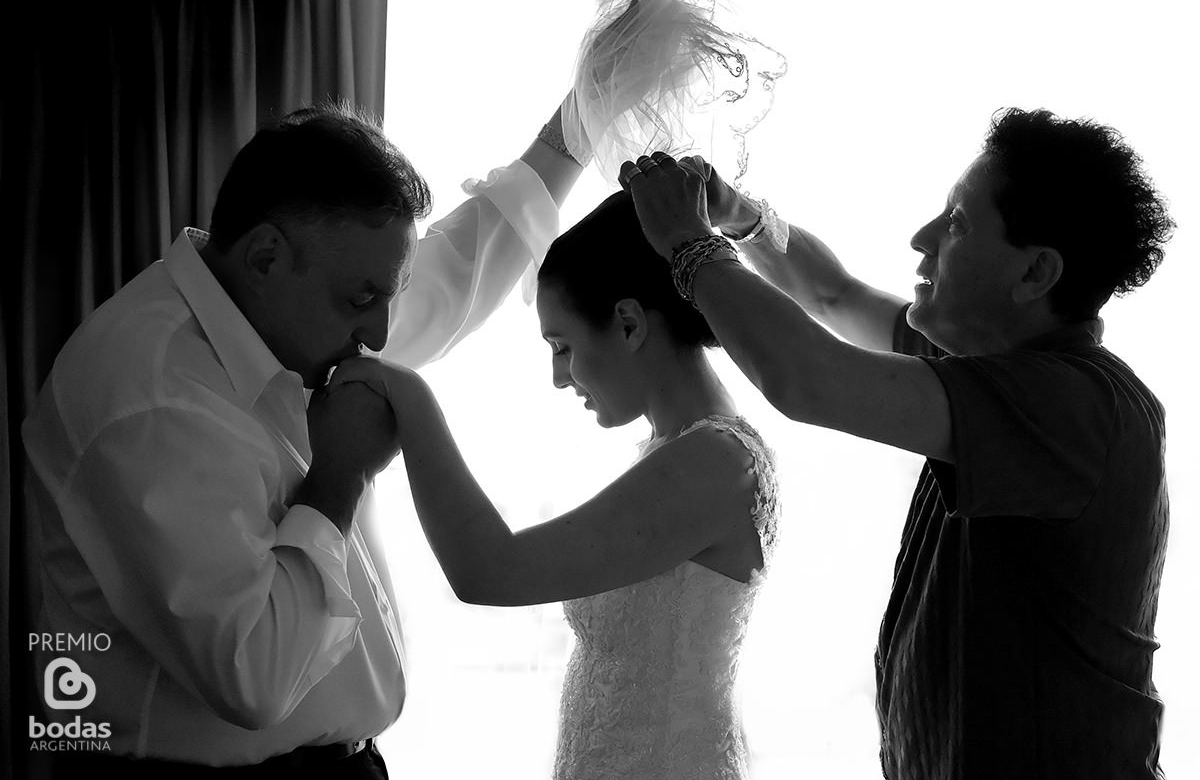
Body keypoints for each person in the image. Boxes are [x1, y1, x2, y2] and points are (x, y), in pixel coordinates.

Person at [21, 91, 591, 777]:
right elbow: (252, 675)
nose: (380, 333)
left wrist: (574, 129)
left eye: (390, 296)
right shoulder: (149, 395)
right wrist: (339, 480)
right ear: (264, 257)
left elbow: (452, 275)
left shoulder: (291, 316)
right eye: (362, 300)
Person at [619, 108, 1173, 779]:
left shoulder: (1077, 407)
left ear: (1035, 274)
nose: (922, 239)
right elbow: (830, 294)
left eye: (958, 223)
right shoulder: (991, 374)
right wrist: (740, 217)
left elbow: (809, 378)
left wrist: (688, 243)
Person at [327, 189, 781, 780]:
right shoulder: (680, 454)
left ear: (628, 322)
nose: (558, 377)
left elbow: (490, 570)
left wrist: (412, 400)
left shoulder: (715, 463)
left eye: (562, 347)